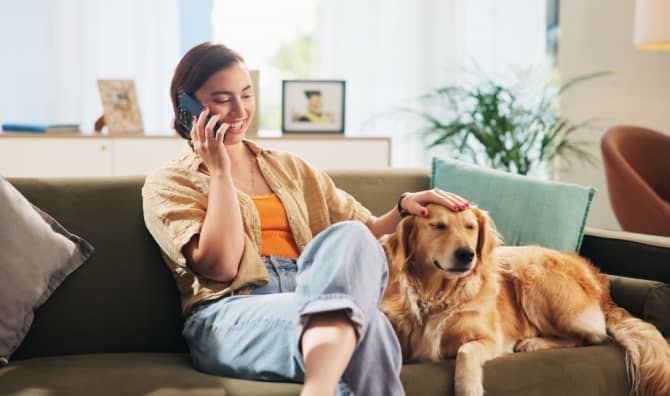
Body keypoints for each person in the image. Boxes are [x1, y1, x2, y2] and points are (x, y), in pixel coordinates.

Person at [142, 42, 470, 396]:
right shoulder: (169, 182)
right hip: (230, 313)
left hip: (312, 293)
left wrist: (403, 208)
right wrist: (220, 171)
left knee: (350, 239)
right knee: (370, 326)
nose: (240, 110)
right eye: (222, 99)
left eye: (247, 95)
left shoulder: (290, 167)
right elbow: (221, 267)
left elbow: (366, 232)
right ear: (187, 106)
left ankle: (319, 387)